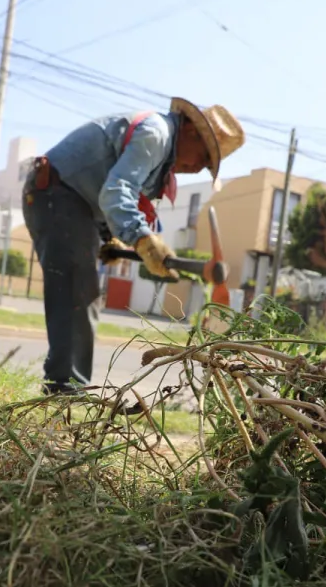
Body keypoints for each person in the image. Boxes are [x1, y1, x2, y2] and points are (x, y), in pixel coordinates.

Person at [22, 98, 244, 395]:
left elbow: (103, 186)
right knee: (77, 292)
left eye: (205, 167)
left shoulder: (162, 153)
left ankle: (68, 388)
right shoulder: (156, 135)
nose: (196, 168)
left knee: (82, 293)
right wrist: (142, 239)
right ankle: (63, 392)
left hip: (74, 201)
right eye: (203, 157)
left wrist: (109, 237)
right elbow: (117, 191)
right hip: (57, 193)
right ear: (191, 130)